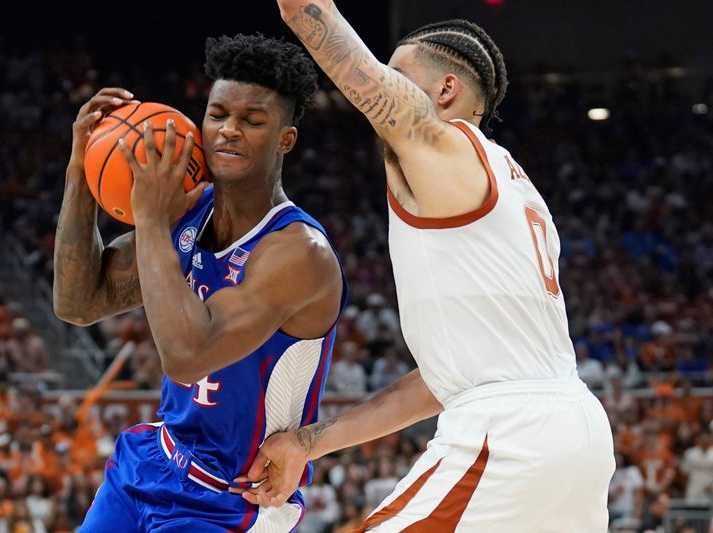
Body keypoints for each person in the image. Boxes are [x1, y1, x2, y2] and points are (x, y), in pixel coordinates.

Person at [237, 4, 615, 531]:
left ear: (445, 91)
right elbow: (447, 381)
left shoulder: (452, 149)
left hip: (510, 435)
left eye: (399, 77)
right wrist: (310, 442)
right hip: (573, 433)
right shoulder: (515, 190)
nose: (384, 85)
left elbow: (318, 25)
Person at [52, 34, 346, 532]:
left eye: (252, 121)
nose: (229, 130)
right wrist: (82, 172)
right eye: (217, 115)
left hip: (231, 502)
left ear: (284, 140)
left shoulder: (298, 254)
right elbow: (78, 303)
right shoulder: (189, 214)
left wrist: (148, 219)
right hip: (153, 461)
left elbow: (187, 356)